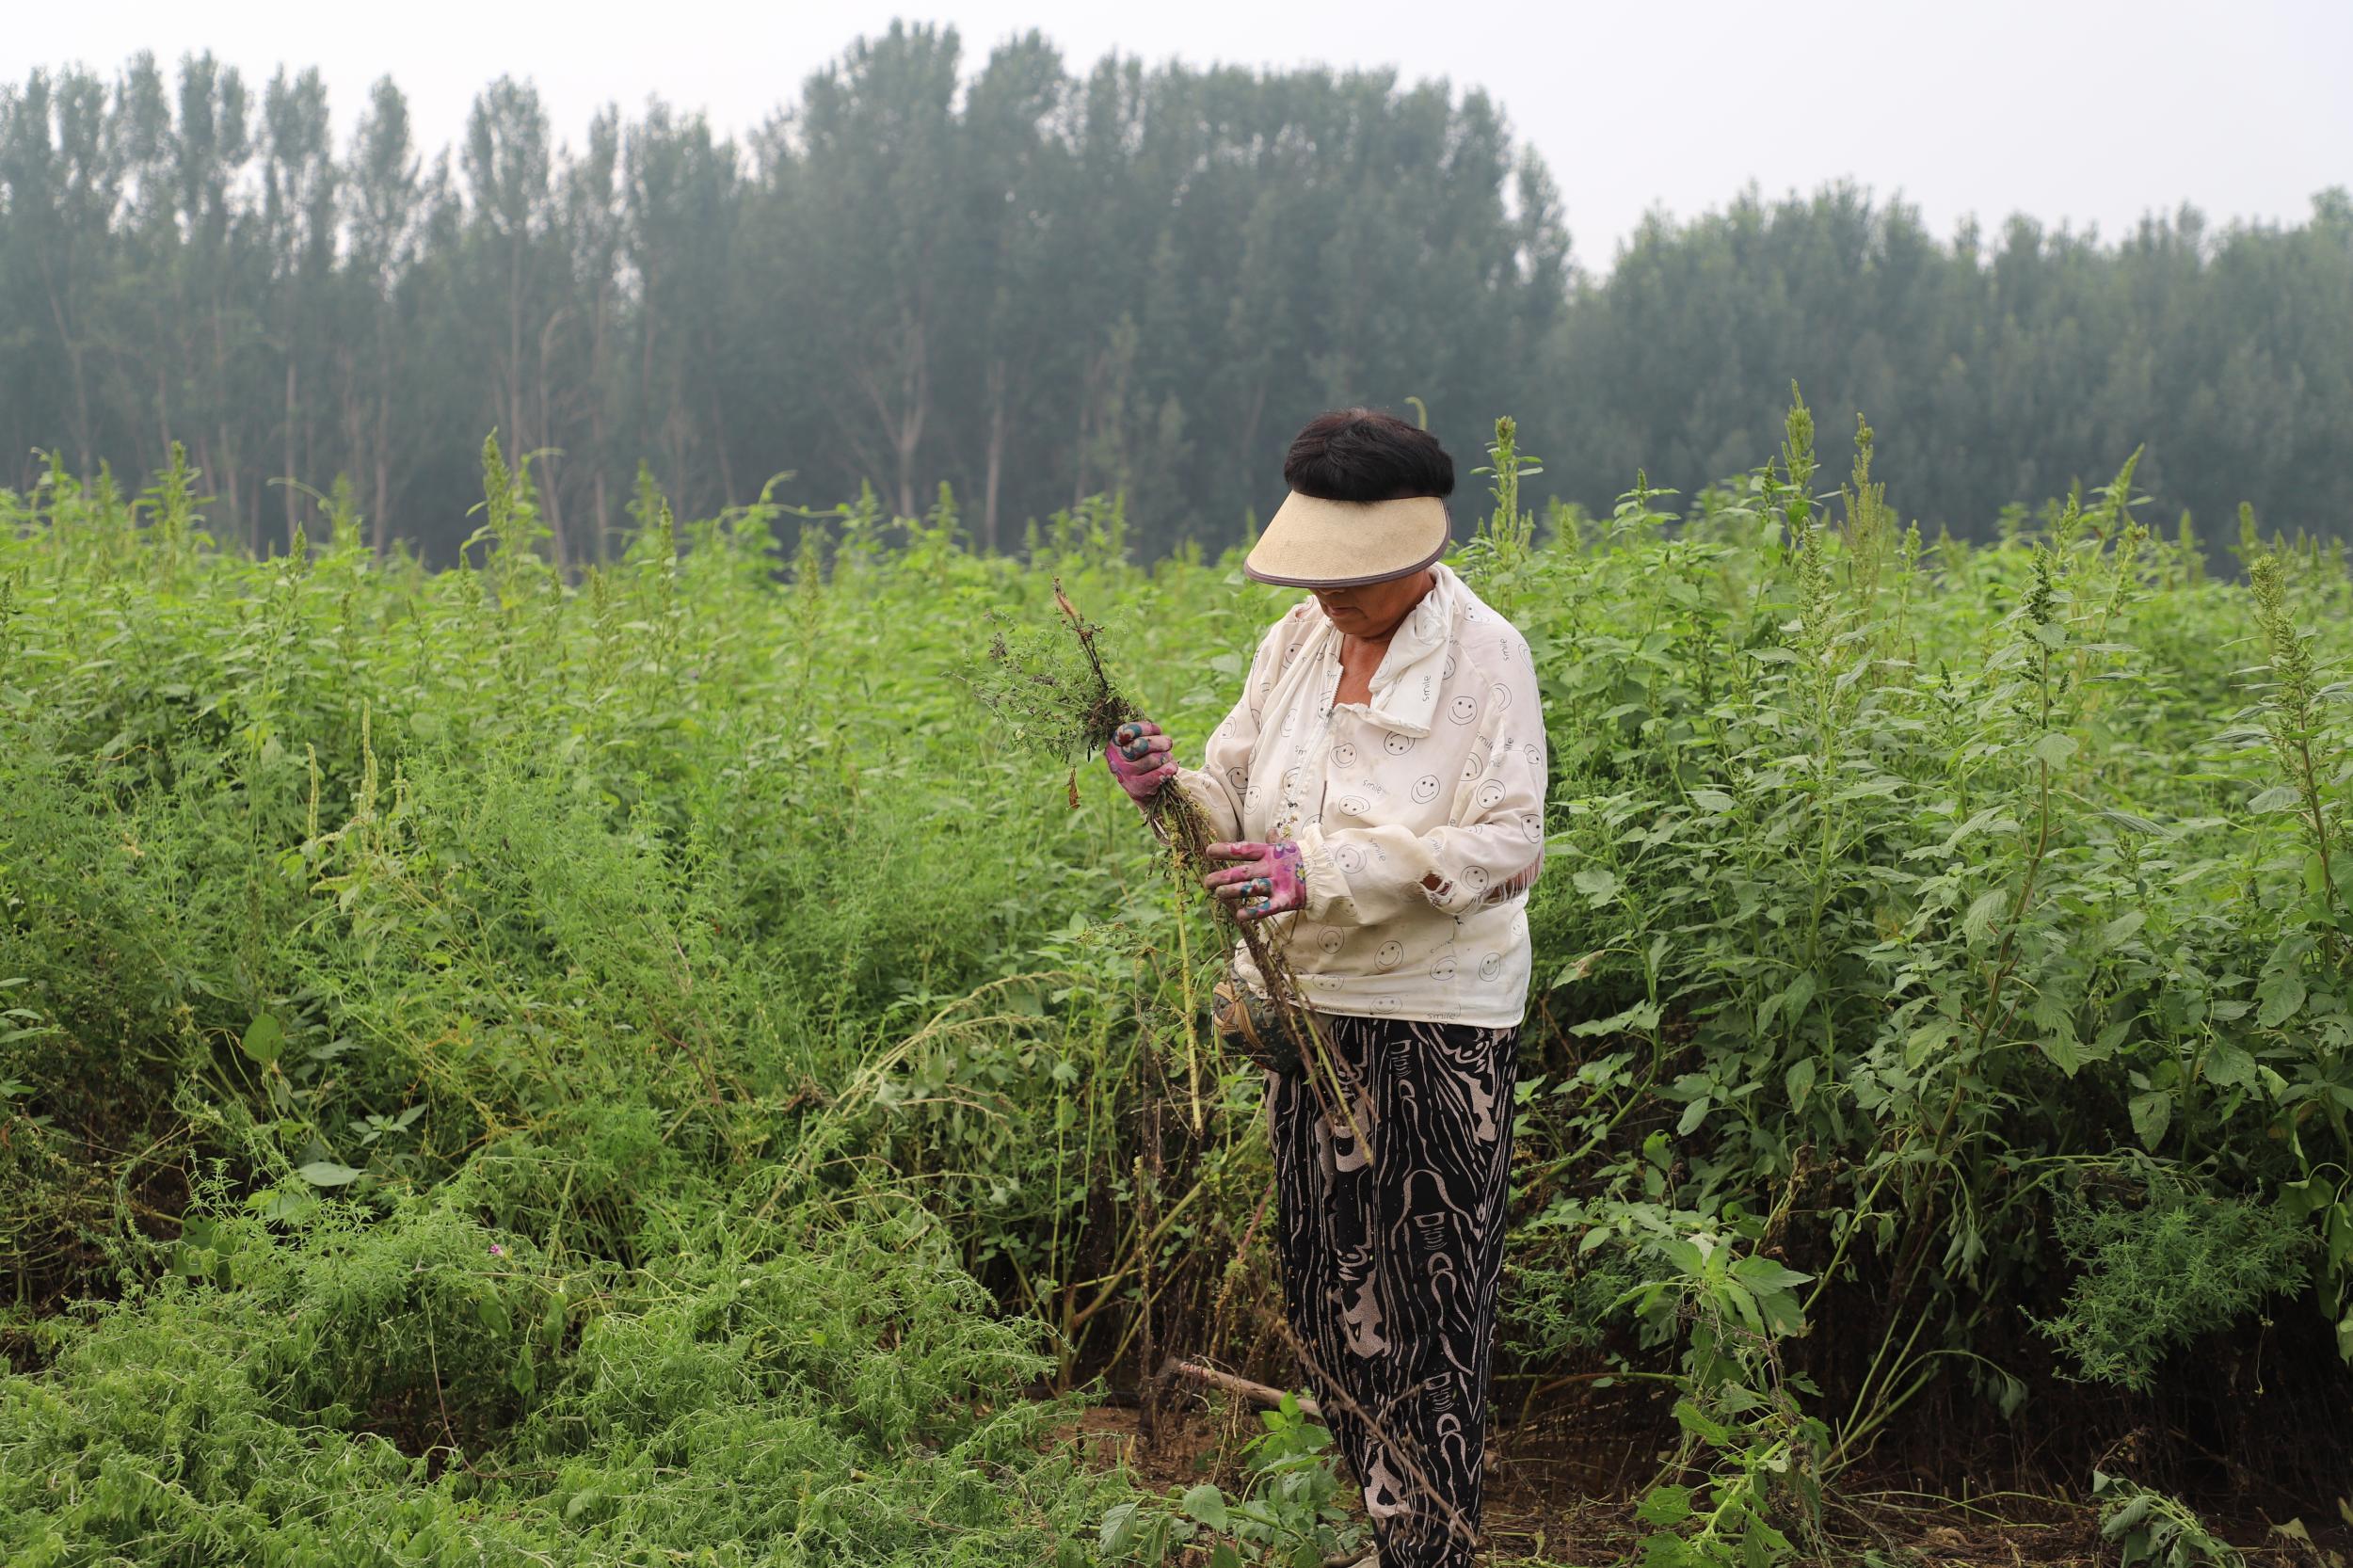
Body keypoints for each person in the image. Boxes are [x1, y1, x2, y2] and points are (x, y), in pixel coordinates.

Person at [1105, 408, 1545, 1568]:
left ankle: (1433, 1552)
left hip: (1436, 1017)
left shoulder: (1485, 653)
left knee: (1428, 1302)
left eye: (1353, 578)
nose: (1332, 596)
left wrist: (1336, 870)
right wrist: (1162, 788)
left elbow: (1508, 842)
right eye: (1321, 573)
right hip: (1307, 1015)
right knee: (1325, 1287)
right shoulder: (1294, 643)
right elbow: (1231, 810)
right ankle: (1394, 1528)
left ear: (1418, 549)